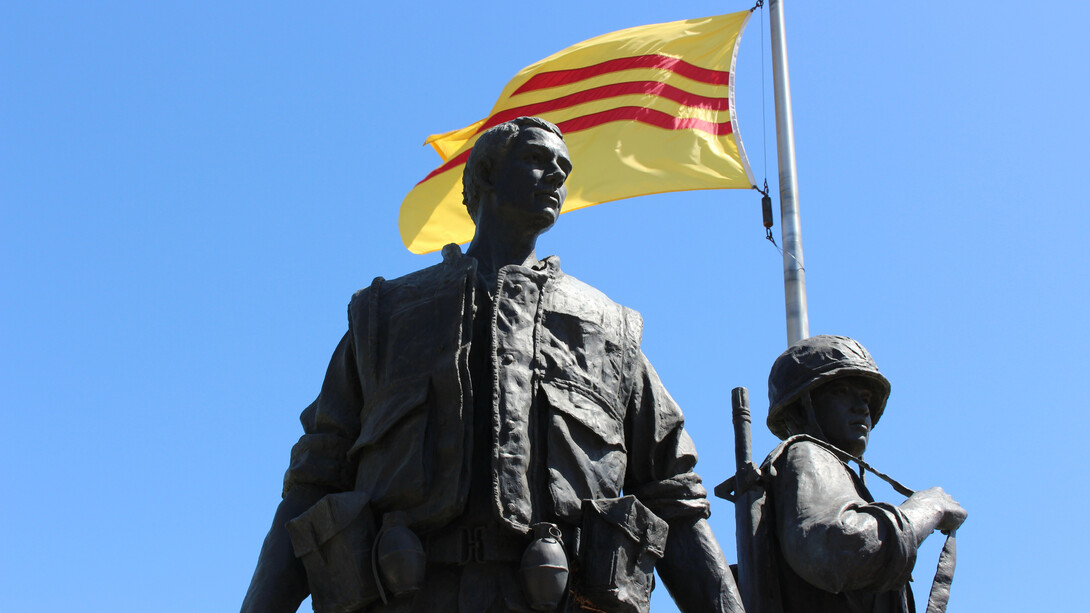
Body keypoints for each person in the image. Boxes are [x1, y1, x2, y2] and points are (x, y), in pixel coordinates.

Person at [241, 117, 743, 613]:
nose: (556, 176)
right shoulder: (385, 318)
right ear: (483, 177)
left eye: (563, 168)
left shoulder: (610, 331)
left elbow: (675, 499)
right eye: (536, 160)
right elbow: (313, 486)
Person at [759, 335, 967, 613]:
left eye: (866, 398)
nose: (862, 408)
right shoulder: (807, 453)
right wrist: (928, 508)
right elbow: (838, 552)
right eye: (842, 391)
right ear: (803, 403)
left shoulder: (834, 470)